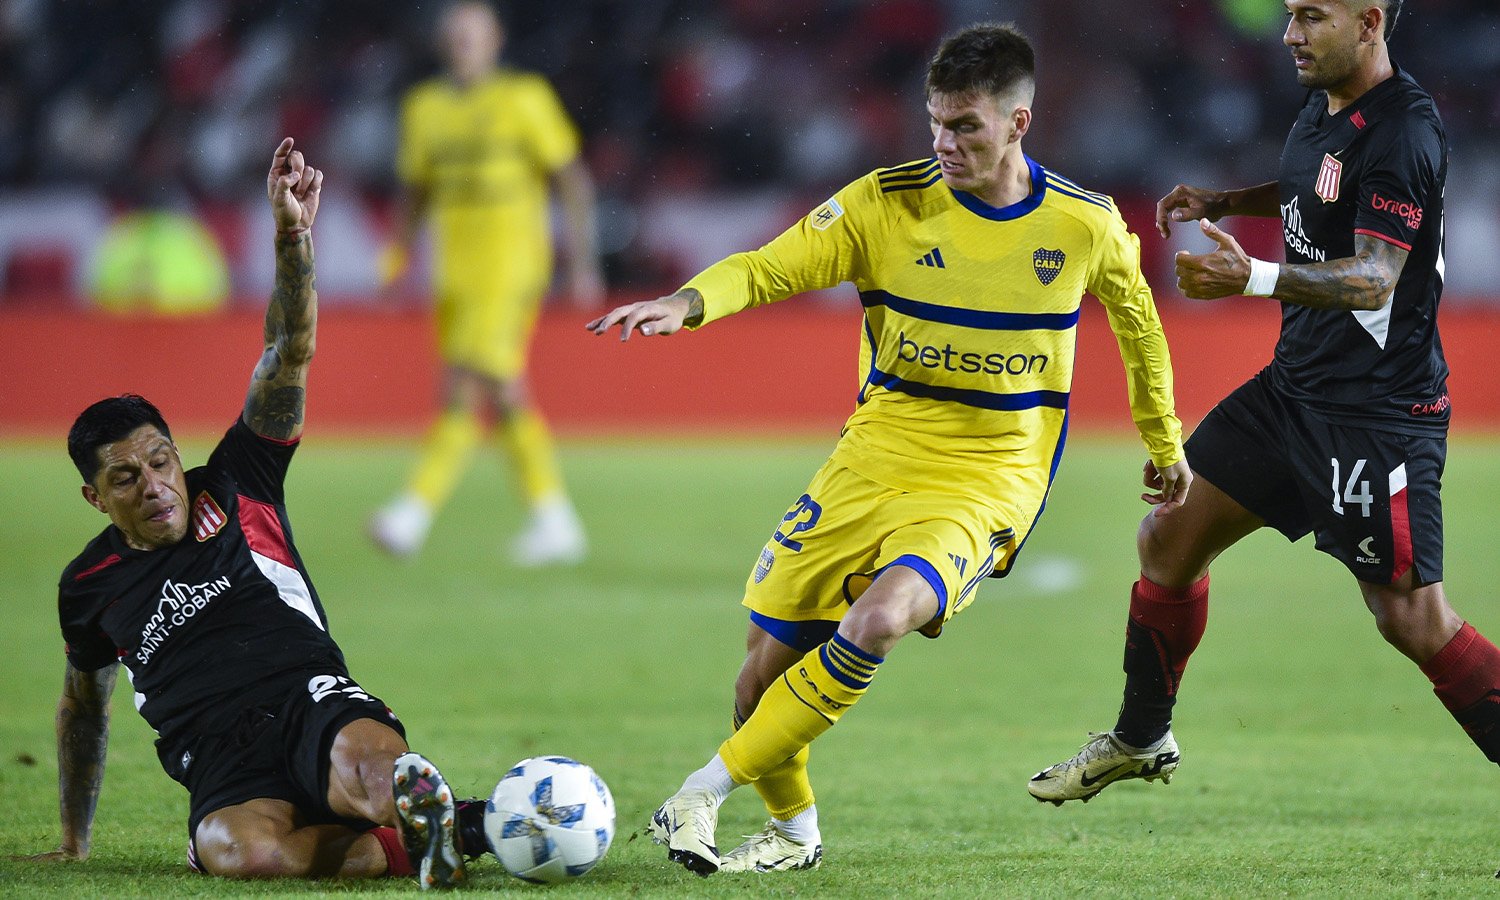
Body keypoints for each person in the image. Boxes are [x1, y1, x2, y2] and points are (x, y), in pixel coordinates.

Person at [588, 24, 1190, 876]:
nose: (945, 144)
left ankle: (698, 793)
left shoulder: (1083, 225)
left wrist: (1164, 440)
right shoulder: (883, 202)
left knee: (879, 617)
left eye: (967, 127)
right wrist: (688, 303)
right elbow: (768, 267)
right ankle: (795, 835)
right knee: (758, 682)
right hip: (873, 457)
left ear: (1019, 123)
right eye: (937, 123)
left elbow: (1140, 325)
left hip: (988, 479)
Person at [1027, 0, 1500, 806]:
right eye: (1288, 15)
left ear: (1371, 21)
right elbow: (1310, 190)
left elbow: (1375, 277)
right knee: (1168, 537)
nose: (1289, 34)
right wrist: (1226, 200)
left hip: (1377, 415)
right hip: (1293, 390)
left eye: (1311, 16)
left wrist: (1251, 277)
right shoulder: (1323, 106)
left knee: (1412, 622)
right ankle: (1142, 738)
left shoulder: (1405, 130)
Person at [24, 139, 489, 889]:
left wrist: (290, 238)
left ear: (177, 455)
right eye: (124, 477)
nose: (152, 484)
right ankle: (442, 836)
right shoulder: (89, 585)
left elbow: (289, 350)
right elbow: (84, 709)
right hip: (218, 755)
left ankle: (407, 813)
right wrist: (76, 838)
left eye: (160, 460)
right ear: (95, 497)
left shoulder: (241, 479)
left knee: (373, 772)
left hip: (308, 701)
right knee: (249, 855)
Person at [369, 0, 603, 566]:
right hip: (455, 270)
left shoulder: (524, 98)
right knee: (497, 389)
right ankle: (554, 517)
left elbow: (571, 178)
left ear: (495, 40)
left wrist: (583, 262)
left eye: (473, 34)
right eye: (454, 35)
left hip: (512, 262)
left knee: (468, 383)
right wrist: (397, 258)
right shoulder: (424, 107)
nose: (462, 44)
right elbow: (415, 192)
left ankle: (411, 511)